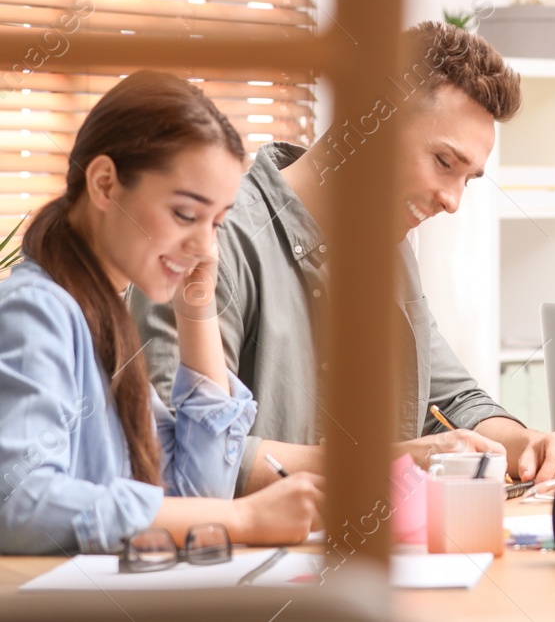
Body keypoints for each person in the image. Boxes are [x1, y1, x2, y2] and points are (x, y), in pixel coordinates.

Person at [132, 22, 555, 495]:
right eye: (443, 162)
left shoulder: (388, 250)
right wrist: (384, 462)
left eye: (468, 179)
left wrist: (529, 445)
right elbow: (174, 455)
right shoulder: (212, 239)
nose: (452, 201)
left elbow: (451, 400)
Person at [0, 72, 321, 554]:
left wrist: (198, 308)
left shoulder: (104, 321)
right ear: (106, 184)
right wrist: (240, 518)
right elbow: (19, 502)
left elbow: (196, 493)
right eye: (186, 215)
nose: (205, 246)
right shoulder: (38, 311)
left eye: (217, 222)